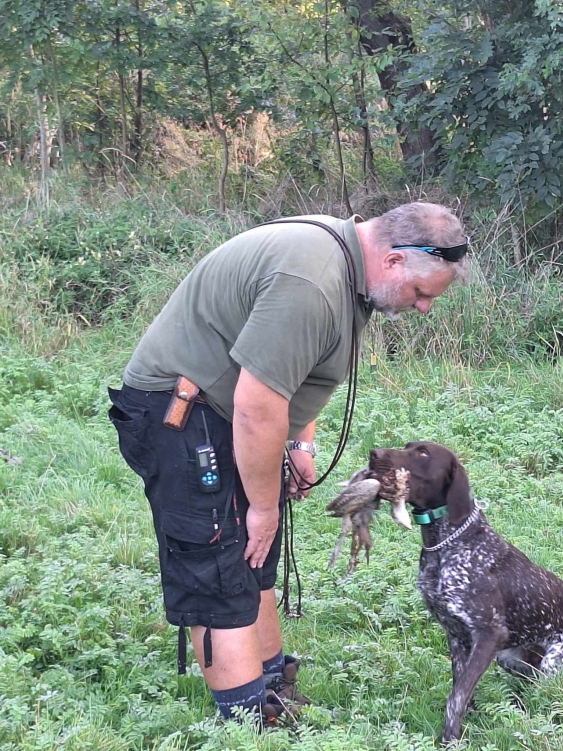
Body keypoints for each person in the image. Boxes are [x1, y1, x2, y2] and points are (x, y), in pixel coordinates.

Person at [108, 202, 469, 724]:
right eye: (421, 292)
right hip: (182, 412)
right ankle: (249, 726)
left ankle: (273, 685)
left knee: (254, 555)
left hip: (222, 410)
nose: (424, 307)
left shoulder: (347, 266)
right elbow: (257, 404)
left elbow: (295, 370)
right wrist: (261, 506)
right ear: (393, 261)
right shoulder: (312, 282)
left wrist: (300, 445)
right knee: (219, 559)